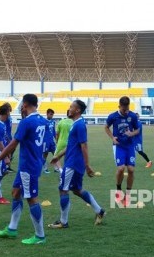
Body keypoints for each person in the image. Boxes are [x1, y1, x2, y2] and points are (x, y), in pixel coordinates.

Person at [0, 94, 46, 245]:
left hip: (28, 166)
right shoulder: (43, 120)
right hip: (32, 163)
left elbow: (13, 144)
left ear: (25, 105)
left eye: (21, 105)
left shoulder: (26, 122)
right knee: (15, 192)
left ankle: (40, 236)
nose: (20, 108)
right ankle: (12, 229)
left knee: (31, 199)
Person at [48, 100, 105, 228]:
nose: (69, 109)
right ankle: (99, 211)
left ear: (78, 110)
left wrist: (87, 165)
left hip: (73, 164)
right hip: (73, 162)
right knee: (77, 190)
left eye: (71, 107)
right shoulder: (75, 124)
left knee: (63, 189)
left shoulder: (79, 125)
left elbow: (83, 145)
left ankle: (63, 222)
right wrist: (58, 156)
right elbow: (71, 145)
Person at [104, 96, 139, 206]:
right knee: (120, 168)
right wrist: (112, 138)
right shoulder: (113, 116)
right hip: (118, 146)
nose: (126, 111)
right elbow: (106, 127)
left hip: (129, 146)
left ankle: (128, 194)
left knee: (131, 169)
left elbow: (138, 129)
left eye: (127, 108)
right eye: (124, 109)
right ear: (119, 106)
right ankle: (119, 191)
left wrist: (132, 133)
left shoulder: (132, 116)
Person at [42, 108, 56, 173]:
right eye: (50, 114)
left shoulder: (53, 122)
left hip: (51, 141)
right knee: (45, 154)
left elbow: (54, 132)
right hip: (45, 141)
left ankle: (56, 168)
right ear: (47, 114)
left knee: (55, 154)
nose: (51, 116)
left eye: (52, 115)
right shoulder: (43, 121)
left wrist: (56, 139)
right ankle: (45, 169)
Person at [3, 102, 15, 173]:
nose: (10, 109)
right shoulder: (5, 117)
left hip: (9, 135)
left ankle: (7, 166)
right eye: (9, 107)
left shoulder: (9, 116)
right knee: (7, 151)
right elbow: (4, 127)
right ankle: (6, 167)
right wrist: (7, 137)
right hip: (6, 136)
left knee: (11, 150)